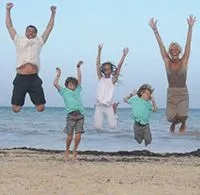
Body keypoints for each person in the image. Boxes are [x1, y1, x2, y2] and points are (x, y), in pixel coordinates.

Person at [6, 2, 56, 112]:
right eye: (28, 31)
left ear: (36, 34)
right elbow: (9, 26)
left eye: (33, 31)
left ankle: (32, 98)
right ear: (25, 32)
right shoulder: (18, 40)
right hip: (21, 77)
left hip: (34, 78)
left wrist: (53, 13)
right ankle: (22, 97)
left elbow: (49, 28)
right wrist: (8, 10)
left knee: (41, 108)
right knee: (16, 109)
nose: (30, 33)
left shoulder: (39, 41)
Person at [149, 16, 196, 133]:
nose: (174, 51)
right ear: (169, 52)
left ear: (179, 51)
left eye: (176, 50)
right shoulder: (167, 61)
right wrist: (155, 30)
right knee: (170, 117)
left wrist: (190, 27)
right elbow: (161, 46)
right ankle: (174, 123)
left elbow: (188, 45)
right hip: (171, 92)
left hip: (182, 91)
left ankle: (183, 124)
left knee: (183, 115)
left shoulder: (184, 61)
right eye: (172, 50)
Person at [54, 61, 85, 161]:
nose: (72, 86)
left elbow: (79, 79)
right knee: (69, 136)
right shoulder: (64, 91)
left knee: (79, 135)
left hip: (80, 115)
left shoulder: (77, 90)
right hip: (71, 116)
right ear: (67, 85)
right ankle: (67, 150)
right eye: (70, 85)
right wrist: (58, 74)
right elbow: (55, 84)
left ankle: (75, 149)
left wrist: (78, 67)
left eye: (74, 85)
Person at [94, 44, 129, 129]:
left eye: (109, 69)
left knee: (113, 126)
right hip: (99, 106)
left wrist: (124, 55)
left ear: (111, 70)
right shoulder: (100, 78)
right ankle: (114, 108)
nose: (107, 70)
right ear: (103, 70)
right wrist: (99, 51)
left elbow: (119, 67)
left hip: (108, 106)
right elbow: (98, 65)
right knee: (97, 127)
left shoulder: (113, 80)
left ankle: (114, 110)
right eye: (105, 69)